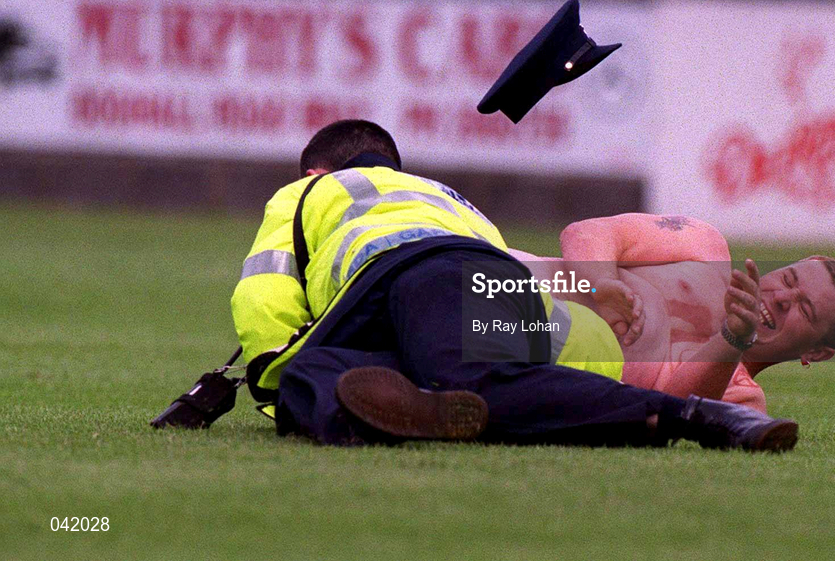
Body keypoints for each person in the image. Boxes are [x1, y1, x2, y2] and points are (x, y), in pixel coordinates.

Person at [231, 119, 801, 451]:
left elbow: (264, 290)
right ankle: (405, 411)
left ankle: (691, 418)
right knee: (321, 372)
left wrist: (263, 369)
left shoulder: (309, 192)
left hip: (406, 276)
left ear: (314, 172)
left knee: (443, 371)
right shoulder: (451, 196)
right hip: (496, 294)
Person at [511, 213, 835, 413]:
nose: (784, 297)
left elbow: (670, 410)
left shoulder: (740, 397)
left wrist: (733, 339)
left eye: (804, 309)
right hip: (499, 267)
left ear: (815, 353)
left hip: (516, 350)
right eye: (788, 278)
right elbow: (587, 231)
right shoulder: (703, 246)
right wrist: (600, 284)